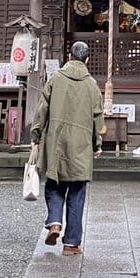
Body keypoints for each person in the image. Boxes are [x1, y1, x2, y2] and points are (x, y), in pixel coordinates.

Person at [29, 39, 103, 256]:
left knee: (54, 185)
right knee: (77, 193)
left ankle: (54, 223)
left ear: (69, 56)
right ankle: (71, 244)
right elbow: (97, 118)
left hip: (56, 142)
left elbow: (42, 110)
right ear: (87, 60)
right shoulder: (91, 85)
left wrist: (35, 135)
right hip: (81, 145)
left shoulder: (55, 79)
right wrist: (97, 144)